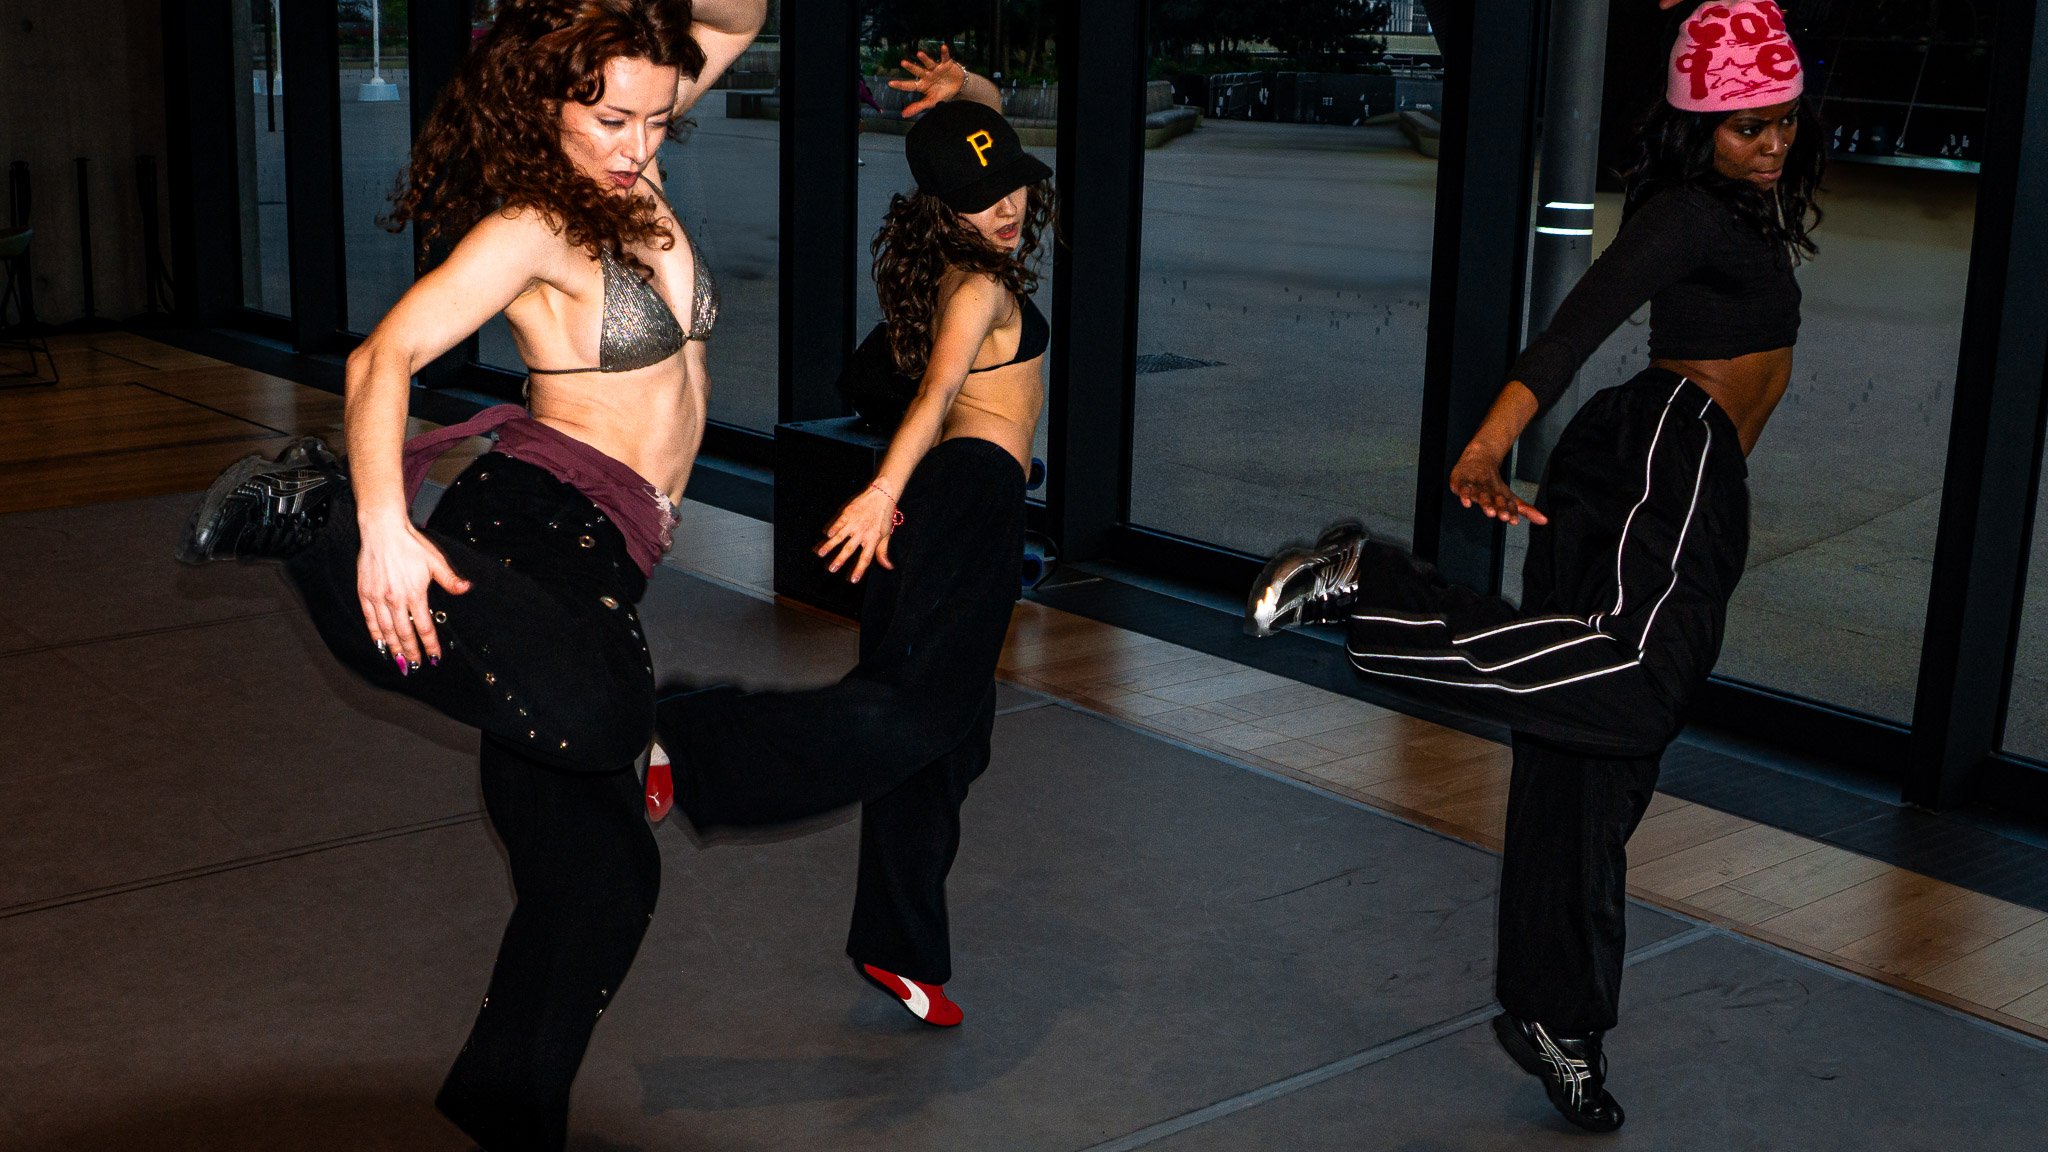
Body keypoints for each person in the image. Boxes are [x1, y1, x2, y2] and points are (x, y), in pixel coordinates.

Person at [174, 1, 766, 1147]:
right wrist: (382, 524)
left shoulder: (631, 150)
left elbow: (735, 16)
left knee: (603, 883)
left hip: (612, 557)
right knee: (599, 711)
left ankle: (502, 1110)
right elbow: (383, 355)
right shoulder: (535, 224)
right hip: (539, 525)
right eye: (611, 118)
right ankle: (311, 519)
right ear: (549, 100)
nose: (637, 142)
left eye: (656, 119)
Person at [1244, 1, 1819, 1133]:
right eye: (1748, 127)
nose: (1772, 145)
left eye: (1785, 121)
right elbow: (1576, 326)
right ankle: (1375, 587)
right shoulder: (1687, 212)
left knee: (1589, 758)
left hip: (1658, 467)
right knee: (1636, 686)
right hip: (1667, 453)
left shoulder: (1735, 204)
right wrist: (1484, 445)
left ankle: (1559, 1018)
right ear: (1697, 125)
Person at [646, 57, 1052, 1029]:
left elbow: (985, 130)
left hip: (968, 506)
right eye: (983, 197)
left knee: (948, 740)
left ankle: (895, 947)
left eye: (1012, 185)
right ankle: (685, 738)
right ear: (945, 211)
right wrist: (880, 494)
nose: (1006, 207)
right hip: (960, 502)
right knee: (908, 718)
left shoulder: (969, 239)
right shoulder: (977, 287)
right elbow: (936, 395)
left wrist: (969, 85)